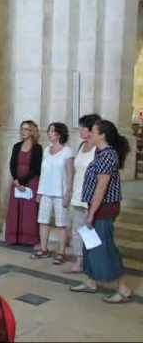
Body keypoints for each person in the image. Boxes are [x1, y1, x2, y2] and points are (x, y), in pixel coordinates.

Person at [70, 120, 133, 303]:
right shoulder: (99, 152)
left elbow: (101, 187)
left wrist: (91, 213)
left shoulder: (108, 155)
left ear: (102, 134)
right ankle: (91, 281)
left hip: (104, 207)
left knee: (105, 246)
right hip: (94, 205)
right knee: (89, 246)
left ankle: (123, 289)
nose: (89, 134)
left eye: (93, 131)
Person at [31, 122, 74, 265]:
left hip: (60, 192)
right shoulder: (46, 149)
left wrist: (68, 192)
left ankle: (61, 252)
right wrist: (39, 192)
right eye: (49, 131)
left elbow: (69, 174)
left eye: (52, 131)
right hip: (46, 191)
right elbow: (44, 173)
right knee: (43, 220)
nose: (49, 133)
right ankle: (44, 249)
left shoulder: (67, 151)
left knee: (61, 223)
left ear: (59, 134)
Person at [67, 114, 100, 273]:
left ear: (91, 129)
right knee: (77, 231)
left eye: (82, 127)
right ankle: (79, 260)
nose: (79, 129)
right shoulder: (81, 146)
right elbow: (75, 170)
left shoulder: (98, 149)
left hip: (89, 197)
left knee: (89, 232)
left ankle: (92, 261)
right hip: (77, 194)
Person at [5, 120, 42, 246]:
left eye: (26, 129)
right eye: (22, 129)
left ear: (32, 131)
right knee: (15, 210)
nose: (23, 132)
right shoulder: (16, 146)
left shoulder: (37, 148)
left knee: (29, 211)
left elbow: (36, 168)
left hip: (31, 182)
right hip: (17, 182)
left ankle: (29, 239)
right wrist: (16, 180)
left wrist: (23, 182)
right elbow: (12, 164)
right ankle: (14, 238)